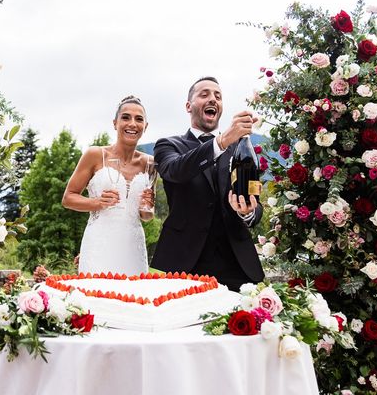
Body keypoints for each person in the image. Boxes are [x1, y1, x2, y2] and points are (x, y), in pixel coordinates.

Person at [151, 77, 264, 291]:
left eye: (218, 96)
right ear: (188, 106)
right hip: (184, 264)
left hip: (237, 265)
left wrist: (248, 212)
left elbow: (254, 200)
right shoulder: (168, 145)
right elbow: (176, 171)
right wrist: (221, 142)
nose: (212, 99)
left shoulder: (240, 149)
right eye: (204, 95)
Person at [62, 96, 154, 275]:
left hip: (133, 247)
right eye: (126, 117)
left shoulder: (150, 163)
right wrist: (97, 203)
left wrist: (147, 206)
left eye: (139, 119)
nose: (132, 124)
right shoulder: (95, 154)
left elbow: (146, 215)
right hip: (99, 244)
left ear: (146, 126)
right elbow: (68, 198)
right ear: (115, 123)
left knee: (134, 298)